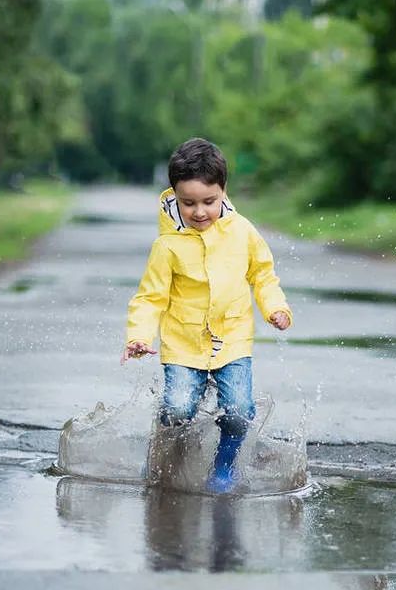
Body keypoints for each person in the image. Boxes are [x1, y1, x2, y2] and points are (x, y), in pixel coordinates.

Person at [121, 137, 292, 494]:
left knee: (238, 411)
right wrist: (138, 336)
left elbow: (262, 275)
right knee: (178, 409)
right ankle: (165, 447)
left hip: (232, 340)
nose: (199, 212)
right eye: (188, 203)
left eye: (209, 202)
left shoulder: (242, 232)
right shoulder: (167, 246)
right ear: (175, 196)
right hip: (184, 344)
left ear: (223, 191)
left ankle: (223, 469)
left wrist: (275, 307)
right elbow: (150, 297)